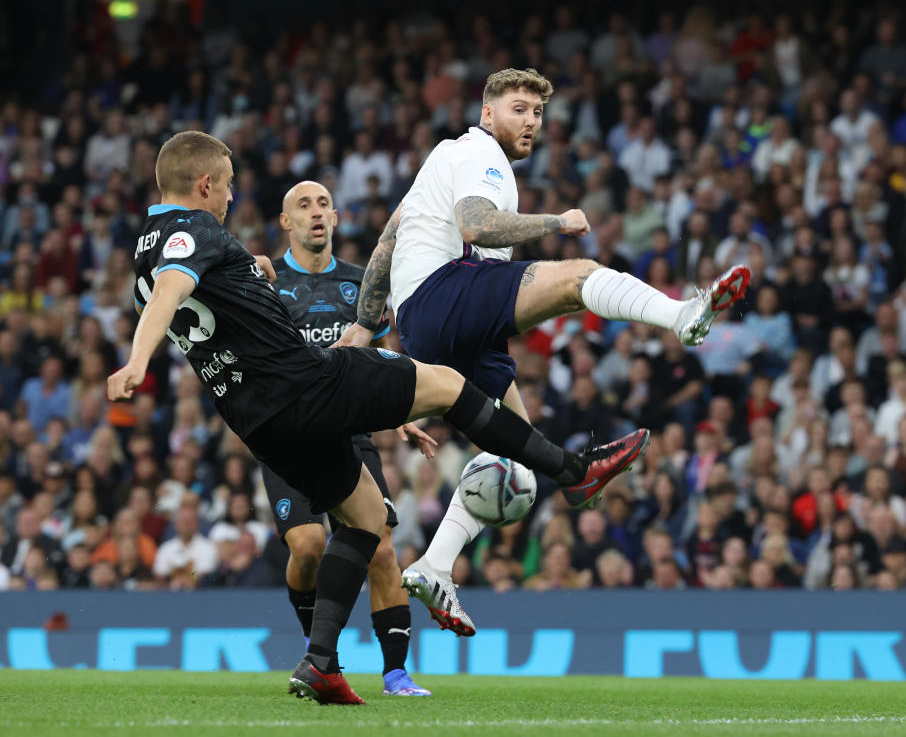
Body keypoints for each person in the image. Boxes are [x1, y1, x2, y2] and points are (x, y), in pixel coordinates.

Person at [107, 131, 647, 705]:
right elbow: (173, 289)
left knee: (366, 518)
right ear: (205, 184)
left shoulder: (148, 246)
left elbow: (185, 297)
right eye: (228, 188)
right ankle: (571, 472)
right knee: (447, 383)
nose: (230, 199)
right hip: (302, 382)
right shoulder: (194, 230)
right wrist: (136, 361)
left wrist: (248, 274)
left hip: (256, 419)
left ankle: (320, 664)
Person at [337, 68, 748, 635]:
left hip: (434, 319)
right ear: (487, 113)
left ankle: (434, 566)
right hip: (445, 293)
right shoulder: (482, 154)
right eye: (518, 108)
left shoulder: (446, 156)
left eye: (537, 112)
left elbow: (388, 236)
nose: (530, 121)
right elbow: (476, 227)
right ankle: (684, 316)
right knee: (578, 276)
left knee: (518, 463)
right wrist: (558, 221)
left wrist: (365, 323)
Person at [265, 179, 433, 696]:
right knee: (310, 545)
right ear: (286, 223)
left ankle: (396, 675)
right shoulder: (266, 285)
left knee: (380, 546)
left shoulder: (363, 284)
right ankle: (322, 653)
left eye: (323, 205)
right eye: (303, 206)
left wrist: (400, 412)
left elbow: (377, 360)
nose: (315, 213)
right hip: (288, 436)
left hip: (349, 431)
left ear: (335, 218)